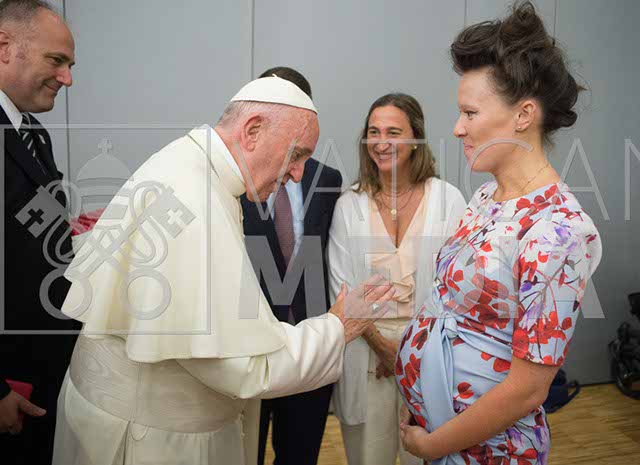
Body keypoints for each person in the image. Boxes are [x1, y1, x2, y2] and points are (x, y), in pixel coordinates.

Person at [52, 77, 396, 465]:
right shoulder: (194, 198)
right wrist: (339, 325)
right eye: (297, 154)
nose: (299, 174)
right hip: (154, 440)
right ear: (252, 131)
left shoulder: (191, 166)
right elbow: (245, 367)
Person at [395, 3, 602, 464]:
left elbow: (528, 390)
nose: (457, 128)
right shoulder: (487, 197)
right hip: (440, 429)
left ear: (524, 115)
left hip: (490, 451)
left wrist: (433, 445)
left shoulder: (558, 230)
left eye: (469, 113)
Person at [328, 93, 467, 465]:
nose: (381, 142)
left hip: (429, 355)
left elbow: (455, 289)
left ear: (416, 138)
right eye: (374, 132)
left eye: (393, 132)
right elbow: (342, 289)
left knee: (426, 453)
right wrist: (384, 348)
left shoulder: (448, 201)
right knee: (366, 456)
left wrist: (407, 352)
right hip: (366, 352)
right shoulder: (349, 205)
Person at [240, 67, 342, 465]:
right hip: (249, 347)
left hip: (308, 346)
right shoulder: (235, 179)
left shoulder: (327, 180)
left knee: (299, 454)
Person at [0, 1, 77, 463]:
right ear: (4, 47)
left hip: (46, 372)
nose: (67, 78)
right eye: (56, 60)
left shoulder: (33, 132)